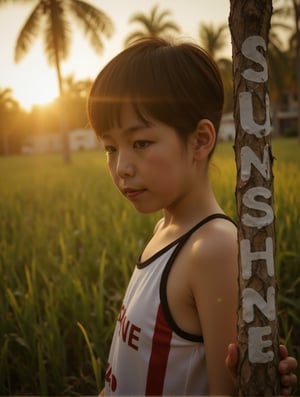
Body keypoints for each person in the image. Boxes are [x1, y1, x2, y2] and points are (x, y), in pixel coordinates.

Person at [88, 37, 297, 395]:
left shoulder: (213, 249)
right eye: (110, 147)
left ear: (200, 140)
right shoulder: (166, 228)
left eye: (140, 143)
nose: (121, 167)